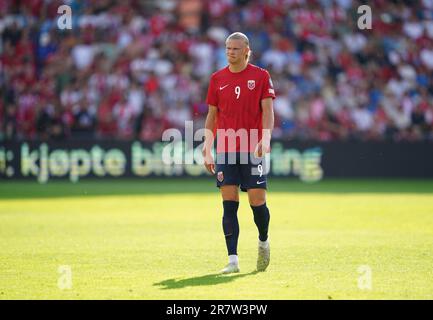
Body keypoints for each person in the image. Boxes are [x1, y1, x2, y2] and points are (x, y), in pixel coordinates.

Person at [202, 32, 275, 274]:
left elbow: (267, 111)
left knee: (257, 201)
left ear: (246, 51)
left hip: (252, 148)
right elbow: (212, 116)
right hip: (225, 149)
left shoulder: (261, 76)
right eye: (227, 48)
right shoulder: (217, 79)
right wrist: (207, 148)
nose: (230, 52)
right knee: (229, 204)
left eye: (235, 48)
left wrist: (265, 138)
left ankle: (263, 241)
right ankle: (232, 260)